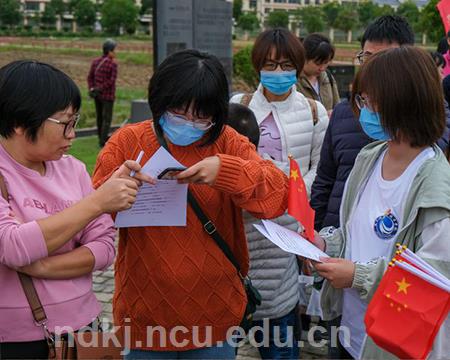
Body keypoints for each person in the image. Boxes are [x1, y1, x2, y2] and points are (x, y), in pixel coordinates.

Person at [92, 49, 288, 359]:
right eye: (179, 111)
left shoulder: (228, 142)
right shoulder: (127, 142)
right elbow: (93, 216)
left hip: (215, 318)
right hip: (144, 319)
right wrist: (113, 190)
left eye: (202, 116)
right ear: (160, 102)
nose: (189, 122)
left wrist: (226, 170)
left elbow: (277, 196)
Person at [310, 15, 450, 358]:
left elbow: (435, 281)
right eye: (362, 100)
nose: (364, 111)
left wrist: (357, 276)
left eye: (372, 101)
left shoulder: (435, 186)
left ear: (406, 103)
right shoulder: (369, 158)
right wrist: (323, 242)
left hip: (394, 345)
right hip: (349, 333)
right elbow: (354, 235)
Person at [0, 60, 150, 358]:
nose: (72, 134)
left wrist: (42, 266)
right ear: (19, 122)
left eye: (75, 122)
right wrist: (96, 203)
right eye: (64, 123)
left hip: (83, 326)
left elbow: (105, 247)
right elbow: (13, 246)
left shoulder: (73, 169)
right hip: (15, 338)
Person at [230, 28, 329, 359]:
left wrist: (286, 193)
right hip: (240, 231)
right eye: (269, 65)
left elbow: (319, 169)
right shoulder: (237, 106)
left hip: (287, 233)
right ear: (257, 66)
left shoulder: (315, 112)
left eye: (285, 64)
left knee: (281, 333)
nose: (277, 72)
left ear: (298, 67)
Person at [298, 33, 340, 114]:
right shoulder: (293, 81)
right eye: (318, 63)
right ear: (304, 57)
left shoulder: (327, 76)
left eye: (326, 63)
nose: (322, 68)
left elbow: (337, 106)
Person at [87, 39, 118, 147]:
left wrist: (92, 88)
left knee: (99, 117)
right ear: (109, 51)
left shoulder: (95, 62)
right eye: (114, 50)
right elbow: (111, 81)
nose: (115, 53)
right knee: (107, 119)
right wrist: (101, 88)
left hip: (97, 95)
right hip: (108, 96)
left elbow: (90, 77)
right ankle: (103, 141)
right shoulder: (113, 64)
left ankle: (100, 137)